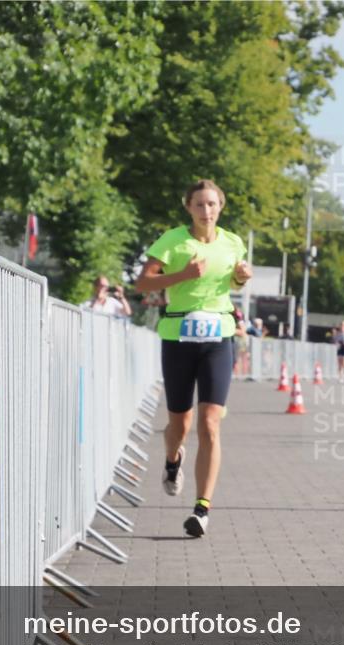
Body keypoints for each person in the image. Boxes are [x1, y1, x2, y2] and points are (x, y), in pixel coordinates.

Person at [134, 179, 252, 537]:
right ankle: (173, 461)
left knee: (210, 423)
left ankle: (202, 508)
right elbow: (143, 283)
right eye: (199, 205)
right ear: (188, 207)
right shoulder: (173, 240)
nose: (206, 211)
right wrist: (182, 275)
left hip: (219, 338)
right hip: (178, 338)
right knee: (180, 426)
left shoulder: (233, 242)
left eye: (212, 204)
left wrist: (241, 278)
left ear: (221, 207)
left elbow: (234, 281)